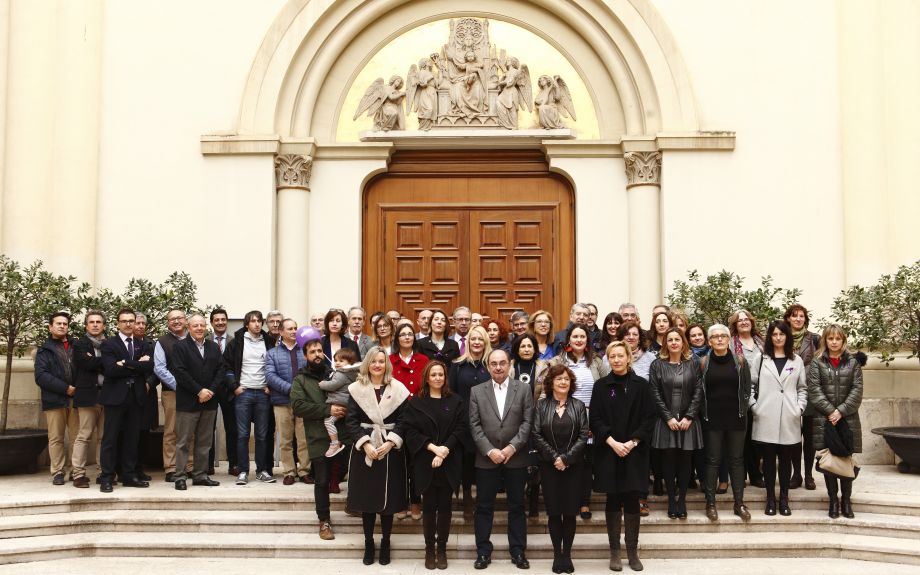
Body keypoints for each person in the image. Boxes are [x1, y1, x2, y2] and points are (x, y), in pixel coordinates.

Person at [591, 341, 656, 572]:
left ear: (629, 357)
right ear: (608, 359)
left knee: (631, 499)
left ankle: (632, 550)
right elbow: (595, 419)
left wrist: (632, 442)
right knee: (613, 498)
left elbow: (650, 418)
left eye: (620, 355)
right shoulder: (601, 386)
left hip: (634, 451)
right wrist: (612, 442)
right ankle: (614, 551)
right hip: (609, 450)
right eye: (612, 356)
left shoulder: (641, 385)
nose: (616, 360)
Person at [469, 349, 534, 571]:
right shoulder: (476, 391)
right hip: (486, 459)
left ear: (509, 365)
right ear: (488, 366)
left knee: (516, 506)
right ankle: (483, 552)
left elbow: (527, 423)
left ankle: (518, 551)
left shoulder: (524, 389)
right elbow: (474, 425)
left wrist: (511, 448)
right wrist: (490, 451)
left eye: (502, 363)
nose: (498, 367)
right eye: (494, 364)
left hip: (516, 458)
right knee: (484, 507)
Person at [345, 346, 411, 566]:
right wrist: (365, 445)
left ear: (387, 364)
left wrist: (391, 442)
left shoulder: (398, 389)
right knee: (367, 499)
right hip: (365, 450)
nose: (377, 365)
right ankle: (368, 542)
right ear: (367, 364)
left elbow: (404, 421)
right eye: (373, 361)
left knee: (389, 501)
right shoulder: (356, 389)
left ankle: (385, 542)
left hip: (390, 451)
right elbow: (351, 422)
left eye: (381, 361)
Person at [404, 361, 469, 570]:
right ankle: (429, 550)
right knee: (429, 508)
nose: (438, 378)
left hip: (449, 461)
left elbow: (461, 429)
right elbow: (411, 432)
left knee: (446, 508)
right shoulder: (416, 402)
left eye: (441, 374)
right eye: (434, 375)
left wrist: (444, 450)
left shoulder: (456, 401)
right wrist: (433, 448)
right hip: (426, 461)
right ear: (427, 377)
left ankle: (442, 549)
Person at [542, 325, 609, 519]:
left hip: (589, 416)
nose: (579, 340)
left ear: (587, 340)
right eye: (575, 336)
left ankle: (584, 502)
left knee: (584, 463)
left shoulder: (596, 362)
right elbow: (547, 388)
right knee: (565, 458)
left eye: (582, 336)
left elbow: (605, 389)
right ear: (568, 340)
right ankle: (565, 500)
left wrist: (597, 421)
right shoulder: (558, 361)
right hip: (563, 417)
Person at [290, 335, 352, 541]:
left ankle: (355, 506)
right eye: (312, 352)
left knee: (352, 473)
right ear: (305, 355)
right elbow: (298, 406)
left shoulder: (335, 373)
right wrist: (328, 409)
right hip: (318, 436)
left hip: (343, 434)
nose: (317, 355)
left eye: (319, 351)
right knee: (322, 480)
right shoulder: (301, 379)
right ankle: (324, 520)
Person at [532, 364, 589, 574]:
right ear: (551, 383)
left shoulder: (579, 405)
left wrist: (566, 458)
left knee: (570, 513)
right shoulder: (541, 406)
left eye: (566, 378)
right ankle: (558, 555)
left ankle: (568, 554)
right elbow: (536, 434)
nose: (563, 382)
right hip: (549, 466)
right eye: (558, 379)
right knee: (554, 513)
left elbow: (584, 435)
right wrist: (555, 457)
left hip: (574, 466)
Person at [752, 320, 807, 516]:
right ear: (770, 337)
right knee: (768, 461)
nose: (778, 338)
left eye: (781, 334)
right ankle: (770, 499)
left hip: (789, 417)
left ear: (787, 336)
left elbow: (802, 388)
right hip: (765, 416)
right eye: (774, 334)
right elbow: (750, 386)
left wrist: (799, 408)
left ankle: (784, 498)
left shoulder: (797, 360)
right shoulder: (760, 359)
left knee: (785, 461)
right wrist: (754, 406)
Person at [808, 324, 864, 519]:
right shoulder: (817, 363)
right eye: (830, 339)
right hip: (824, 420)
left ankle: (846, 501)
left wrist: (840, 411)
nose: (834, 342)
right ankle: (833, 501)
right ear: (825, 340)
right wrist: (831, 411)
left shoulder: (853, 363)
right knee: (829, 462)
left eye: (837, 339)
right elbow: (814, 390)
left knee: (845, 459)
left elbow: (857, 391)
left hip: (847, 420)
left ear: (843, 340)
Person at [700, 324, 754, 521]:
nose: (720, 339)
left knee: (737, 461)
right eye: (715, 337)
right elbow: (700, 391)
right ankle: (711, 503)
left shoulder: (739, 361)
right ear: (709, 341)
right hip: (711, 418)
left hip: (737, 417)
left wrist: (743, 407)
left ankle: (739, 503)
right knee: (713, 460)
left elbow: (748, 387)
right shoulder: (704, 362)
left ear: (729, 339)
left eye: (724, 336)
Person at [649, 327, 703, 519]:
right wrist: (668, 418)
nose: (673, 343)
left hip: (689, 421)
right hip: (666, 422)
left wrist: (688, 416)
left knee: (685, 463)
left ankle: (682, 501)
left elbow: (698, 390)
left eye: (677, 339)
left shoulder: (693, 363)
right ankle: (671, 499)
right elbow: (654, 393)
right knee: (669, 462)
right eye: (670, 340)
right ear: (665, 343)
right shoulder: (657, 365)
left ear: (683, 343)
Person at [98, 309, 154, 492]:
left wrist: (125, 363)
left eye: (131, 320)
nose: (129, 324)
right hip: (115, 397)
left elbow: (149, 366)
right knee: (110, 438)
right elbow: (110, 370)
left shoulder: (142, 344)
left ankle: (129, 476)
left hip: (136, 397)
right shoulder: (108, 344)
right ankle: (107, 477)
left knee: (132, 438)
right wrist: (137, 364)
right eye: (124, 321)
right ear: (117, 323)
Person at [169, 314, 223, 490]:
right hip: (188, 402)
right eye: (195, 325)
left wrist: (211, 391)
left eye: (202, 325)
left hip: (210, 401)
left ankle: (200, 475)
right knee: (183, 441)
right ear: (188, 327)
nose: (199, 328)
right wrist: (199, 390)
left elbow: (221, 370)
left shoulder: (214, 347)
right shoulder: (180, 347)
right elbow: (180, 372)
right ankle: (180, 476)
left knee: (204, 442)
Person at [224, 310, 275, 485]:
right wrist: (235, 387)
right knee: (243, 435)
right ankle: (243, 471)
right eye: (253, 321)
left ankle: (262, 470)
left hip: (262, 393)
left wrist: (270, 386)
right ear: (247, 324)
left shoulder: (268, 341)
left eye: (259, 321)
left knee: (262, 435)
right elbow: (227, 367)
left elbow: (273, 365)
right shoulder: (237, 342)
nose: (257, 324)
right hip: (243, 393)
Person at [448, 324, 492, 516]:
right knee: (466, 460)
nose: (476, 342)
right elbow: (451, 394)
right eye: (473, 339)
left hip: (488, 421)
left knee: (484, 459)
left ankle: (483, 497)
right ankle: (467, 496)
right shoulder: (457, 366)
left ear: (485, 342)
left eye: (480, 339)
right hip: (464, 422)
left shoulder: (492, 365)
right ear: (468, 342)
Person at [390, 322, 429, 519]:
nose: (407, 337)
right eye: (402, 334)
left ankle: (415, 502)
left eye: (410, 334)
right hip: (395, 417)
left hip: (418, 418)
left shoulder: (423, 360)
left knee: (415, 462)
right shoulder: (390, 360)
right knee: (397, 463)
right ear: (397, 339)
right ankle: (399, 503)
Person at [34, 311, 78, 485]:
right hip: (54, 400)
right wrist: (65, 389)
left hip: (76, 399)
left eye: (65, 324)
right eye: (58, 323)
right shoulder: (44, 350)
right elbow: (41, 376)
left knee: (77, 437)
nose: (62, 326)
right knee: (56, 437)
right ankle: (58, 472)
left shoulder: (76, 345)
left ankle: (76, 470)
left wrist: (78, 389)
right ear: (50, 326)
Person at [265, 318, 311, 485]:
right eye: (290, 329)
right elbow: (270, 376)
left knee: (304, 438)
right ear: (281, 332)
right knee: (285, 440)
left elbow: (311, 373)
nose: (293, 331)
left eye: (295, 328)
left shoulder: (305, 351)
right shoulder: (272, 353)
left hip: (303, 402)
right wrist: (291, 389)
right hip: (281, 402)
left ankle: (305, 471)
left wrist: (301, 391)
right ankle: (289, 472)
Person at [784, 303, 821, 491]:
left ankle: (808, 475)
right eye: (794, 315)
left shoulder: (814, 339)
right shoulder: (781, 337)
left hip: (811, 391)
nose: (798, 319)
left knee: (809, 434)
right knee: (793, 435)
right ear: (788, 318)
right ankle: (795, 474)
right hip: (788, 391)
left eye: (801, 316)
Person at [729, 309, 765, 489]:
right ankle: (740, 475)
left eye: (746, 319)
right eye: (739, 320)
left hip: (763, 395)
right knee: (742, 439)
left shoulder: (762, 342)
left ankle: (756, 474)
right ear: (735, 325)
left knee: (757, 438)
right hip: (739, 396)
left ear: (751, 322)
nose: (743, 322)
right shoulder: (730, 344)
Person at [510, 332, 545, 517]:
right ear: (516, 349)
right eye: (522, 346)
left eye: (529, 346)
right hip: (512, 420)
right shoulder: (509, 367)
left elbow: (546, 393)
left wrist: (535, 412)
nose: (526, 349)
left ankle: (533, 498)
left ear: (534, 348)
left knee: (534, 460)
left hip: (536, 419)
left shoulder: (543, 367)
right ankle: (517, 497)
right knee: (517, 459)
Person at [71, 311, 106, 488]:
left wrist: (96, 360)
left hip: (107, 396)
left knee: (103, 437)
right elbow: (85, 363)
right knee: (84, 436)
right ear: (86, 326)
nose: (94, 325)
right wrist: (104, 361)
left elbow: (112, 366)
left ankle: (103, 472)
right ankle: (78, 474)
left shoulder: (110, 343)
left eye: (98, 322)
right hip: (86, 396)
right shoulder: (79, 344)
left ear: (104, 326)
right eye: (91, 322)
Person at [153, 309, 188, 482]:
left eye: (179, 318)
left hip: (194, 394)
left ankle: (190, 466)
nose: (176, 321)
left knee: (191, 431)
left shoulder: (195, 338)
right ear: (168, 323)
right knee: (171, 431)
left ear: (185, 320)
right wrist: (180, 386)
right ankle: (171, 467)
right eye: (172, 319)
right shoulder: (162, 342)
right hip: (172, 392)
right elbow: (159, 368)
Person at [208, 308, 238, 476]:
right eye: (216, 320)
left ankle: (233, 464)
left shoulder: (235, 341)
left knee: (232, 428)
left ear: (227, 321)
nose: (220, 322)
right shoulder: (204, 341)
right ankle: (208, 464)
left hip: (229, 390)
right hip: (210, 390)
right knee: (208, 428)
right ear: (212, 322)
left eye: (223, 319)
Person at [319, 348, 359, 465]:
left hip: (339, 402)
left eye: (341, 360)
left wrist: (322, 384)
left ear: (350, 363)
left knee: (328, 421)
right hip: (346, 402)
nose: (337, 363)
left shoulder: (341, 374)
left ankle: (335, 443)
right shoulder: (352, 374)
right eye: (336, 360)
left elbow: (333, 385)